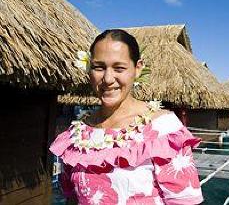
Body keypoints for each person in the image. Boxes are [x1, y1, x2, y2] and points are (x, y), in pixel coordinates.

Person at [50, 29, 203, 205]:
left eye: (119, 68)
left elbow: (186, 201)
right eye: (99, 67)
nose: (108, 79)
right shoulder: (77, 134)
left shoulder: (162, 129)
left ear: (138, 69)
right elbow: (72, 199)